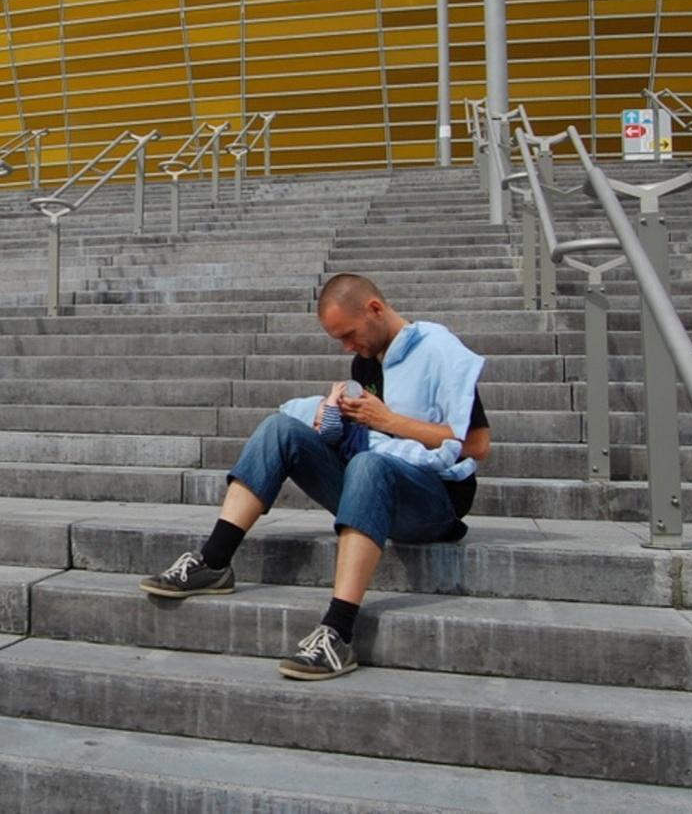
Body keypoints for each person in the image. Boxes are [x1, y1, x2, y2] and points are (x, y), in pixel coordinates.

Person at [140, 273, 491, 680]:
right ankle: (213, 562)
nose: (347, 347)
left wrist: (390, 420)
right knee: (280, 429)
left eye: (349, 334)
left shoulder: (439, 350)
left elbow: (477, 445)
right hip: (373, 487)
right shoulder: (365, 361)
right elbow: (369, 437)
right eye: (339, 340)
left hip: (432, 504)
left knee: (368, 464)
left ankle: (337, 633)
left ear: (375, 309)